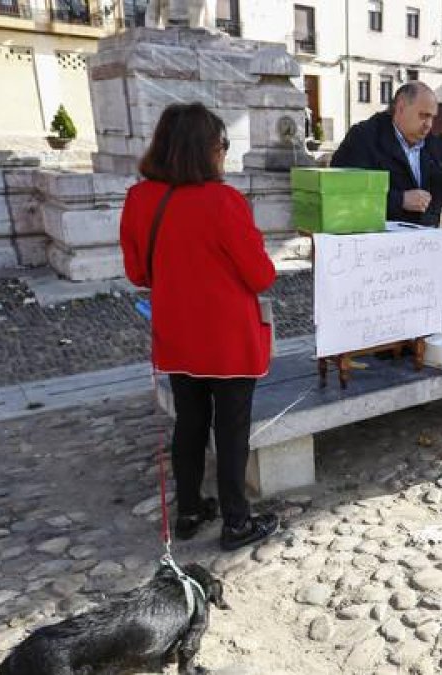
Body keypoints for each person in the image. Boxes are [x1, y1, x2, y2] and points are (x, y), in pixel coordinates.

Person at [119, 103, 280, 552]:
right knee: (231, 430)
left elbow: (137, 273)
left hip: (176, 334)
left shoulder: (139, 199)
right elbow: (261, 276)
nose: (224, 154)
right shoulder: (223, 201)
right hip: (228, 339)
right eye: (222, 145)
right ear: (206, 149)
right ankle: (236, 522)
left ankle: (189, 510)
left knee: (188, 424)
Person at [331, 81, 442, 226]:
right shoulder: (364, 137)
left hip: (425, 243)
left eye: (432, 117)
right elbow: (343, 191)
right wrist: (400, 200)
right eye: (423, 115)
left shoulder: (435, 145)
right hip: (378, 241)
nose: (429, 124)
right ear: (401, 108)